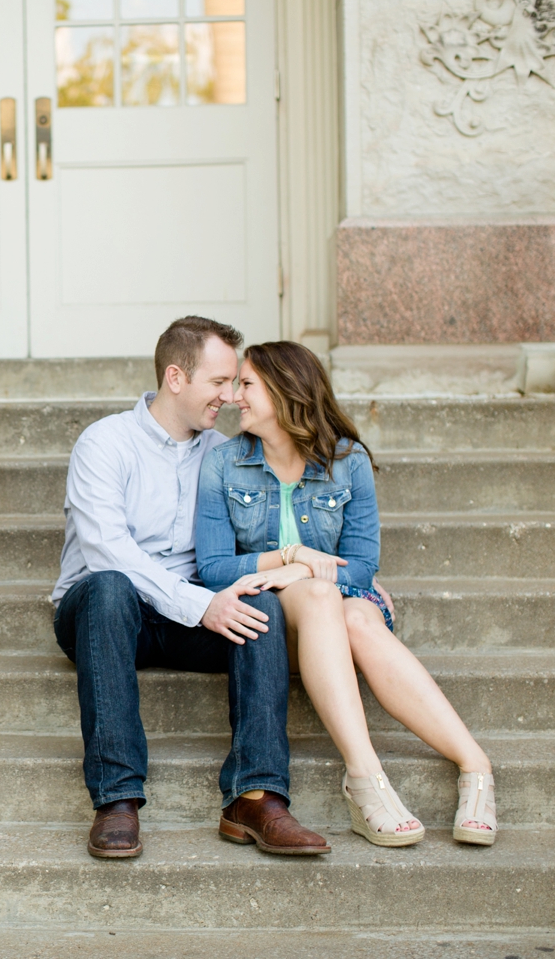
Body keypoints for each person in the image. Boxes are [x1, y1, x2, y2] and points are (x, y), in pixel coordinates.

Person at [196, 341, 498, 847]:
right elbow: (213, 569)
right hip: (279, 624)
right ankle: (364, 775)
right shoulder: (223, 464)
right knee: (319, 597)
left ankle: (476, 765)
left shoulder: (347, 460)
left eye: (246, 384)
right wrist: (293, 561)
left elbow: (362, 565)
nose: (234, 397)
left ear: (285, 389)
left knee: (355, 615)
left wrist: (309, 573)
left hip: (343, 610)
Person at [53, 317, 332, 859]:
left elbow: (276, 536)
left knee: (263, 607)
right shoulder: (105, 443)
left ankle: (256, 798)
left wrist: (345, 576)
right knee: (110, 586)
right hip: (101, 615)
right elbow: (108, 550)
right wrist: (201, 603)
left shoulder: (224, 455)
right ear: (176, 378)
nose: (230, 397)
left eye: (235, 385)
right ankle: (117, 798)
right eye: (220, 383)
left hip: (189, 614)